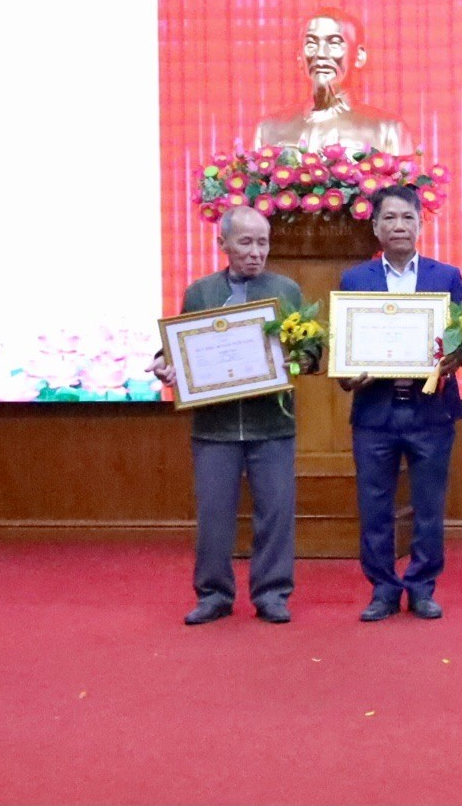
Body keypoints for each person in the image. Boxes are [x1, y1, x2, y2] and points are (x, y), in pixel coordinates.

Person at [150, 205, 302, 626]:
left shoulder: (287, 290)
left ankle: (272, 593)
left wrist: (300, 357)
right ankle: (213, 594)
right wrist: (165, 364)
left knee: (276, 513)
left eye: (263, 243)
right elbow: (178, 345)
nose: (256, 252)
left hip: (272, 424)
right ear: (223, 244)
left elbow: (309, 353)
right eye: (246, 242)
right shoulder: (200, 292)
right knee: (214, 515)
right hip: (214, 428)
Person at [338, 184, 462, 622]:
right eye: (390, 218)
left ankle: (421, 587)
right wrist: (347, 376)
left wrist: (456, 357)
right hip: (374, 412)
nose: (399, 226)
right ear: (375, 227)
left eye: (408, 217)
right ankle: (382, 590)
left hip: (430, 410)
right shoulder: (355, 280)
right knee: (375, 507)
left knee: (429, 507)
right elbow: (344, 346)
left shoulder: (445, 277)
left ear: (421, 225)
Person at [253, 8, 414, 154]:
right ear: (300, 58)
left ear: (359, 56)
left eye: (334, 44)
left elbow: (406, 177)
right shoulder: (268, 129)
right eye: (311, 45)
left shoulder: (388, 130)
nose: (321, 54)